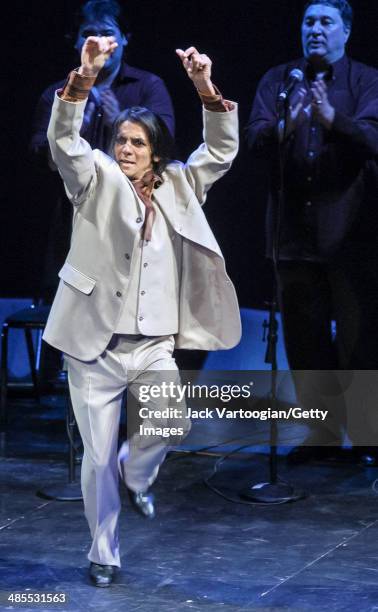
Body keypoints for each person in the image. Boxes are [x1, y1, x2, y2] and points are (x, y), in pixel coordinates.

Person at [43, 35, 240, 586]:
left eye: (137, 142)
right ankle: (103, 553)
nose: (125, 148)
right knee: (97, 458)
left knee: (169, 421)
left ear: (156, 150)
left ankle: (139, 474)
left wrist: (204, 87)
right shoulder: (95, 178)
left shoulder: (179, 184)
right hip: (95, 346)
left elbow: (221, 152)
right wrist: (82, 82)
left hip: (154, 343)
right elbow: (64, 140)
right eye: (120, 140)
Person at [246, 0, 378, 462]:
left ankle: (367, 438)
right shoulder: (280, 80)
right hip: (293, 237)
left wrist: (331, 120)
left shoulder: (365, 80)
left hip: (351, 235)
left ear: (346, 31)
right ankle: (321, 436)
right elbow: (255, 139)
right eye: (308, 21)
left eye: (326, 22)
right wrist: (292, 122)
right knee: (306, 341)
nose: (315, 30)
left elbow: (373, 137)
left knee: (359, 340)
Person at [30, 0, 175, 302]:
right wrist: (68, 132)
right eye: (88, 33)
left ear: (124, 38)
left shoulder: (148, 86)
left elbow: (166, 146)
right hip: (70, 224)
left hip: (133, 224)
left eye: (108, 33)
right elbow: (37, 153)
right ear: (77, 41)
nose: (98, 42)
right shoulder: (58, 93)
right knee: (69, 321)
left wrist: (120, 122)